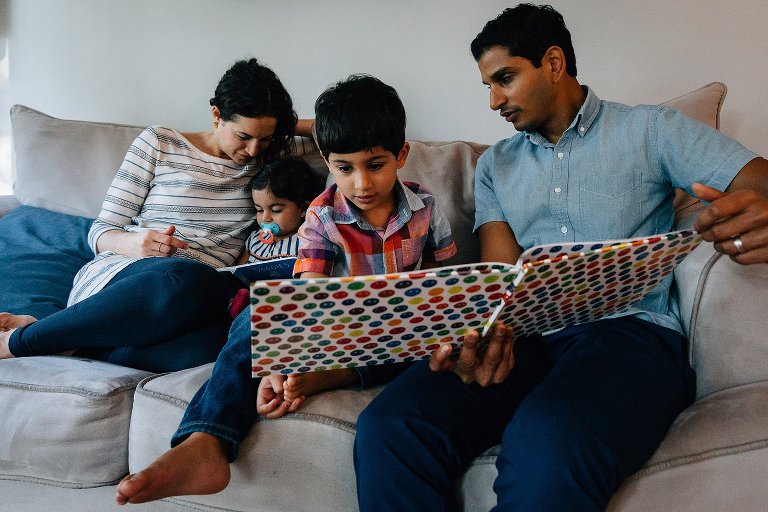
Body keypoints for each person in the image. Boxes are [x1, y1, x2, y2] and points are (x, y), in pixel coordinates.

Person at [352, 4, 768, 512]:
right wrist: (479, 339)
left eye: (504, 78)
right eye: (486, 85)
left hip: (629, 337)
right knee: (389, 426)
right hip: (527, 340)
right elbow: (500, 280)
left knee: (547, 438)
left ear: (553, 62)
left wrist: (757, 209)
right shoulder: (496, 167)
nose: (493, 101)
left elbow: (756, 180)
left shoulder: (651, 129)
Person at [114, 74, 458, 505]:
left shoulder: (425, 208)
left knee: (416, 345)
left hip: (400, 337)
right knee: (258, 312)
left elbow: (447, 284)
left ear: (401, 155)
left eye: (375, 165)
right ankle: (206, 440)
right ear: (327, 162)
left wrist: (443, 331)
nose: (362, 185)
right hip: (337, 330)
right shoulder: (322, 215)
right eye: (344, 168)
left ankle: (315, 379)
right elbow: (309, 296)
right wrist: (283, 351)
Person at [0, 58, 305, 372]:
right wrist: (135, 244)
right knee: (182, 278)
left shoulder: (270, 158)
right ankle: (22, 340)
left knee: (216, 347)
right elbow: (100, 231)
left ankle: (73, 343)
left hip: (205, 297)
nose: (254, 150)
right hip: (133, 277)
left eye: (264, 138)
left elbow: (341, 134)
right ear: (217, 115)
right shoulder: (160, 143)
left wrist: (280, 126)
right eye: (244, 136)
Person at [226, 156, 326, 318]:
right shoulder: (255, 240)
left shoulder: (308, 240)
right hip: (250, 294)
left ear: (303, 209)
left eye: (276, 210)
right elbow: (238, 270)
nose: (265, 218)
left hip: (286, 301)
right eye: (259, 210)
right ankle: (238, 306)